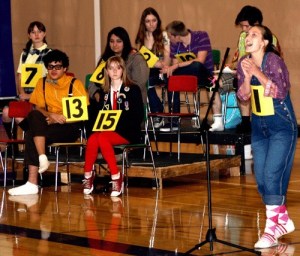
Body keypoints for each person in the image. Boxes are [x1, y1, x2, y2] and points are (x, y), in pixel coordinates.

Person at [237, 25, 297, 249]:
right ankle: (282, 219)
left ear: (264, 42)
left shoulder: (273, 60)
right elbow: (243, 96)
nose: (248, 37)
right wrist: (246, 76)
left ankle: (271, 231)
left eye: (254, 34)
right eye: (247, 35)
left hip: (281, 126)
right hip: (259, 127)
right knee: (262, 179)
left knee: (272, 174)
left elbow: (280, 91)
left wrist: (256, 72)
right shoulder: (244, 62)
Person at [8, 49, 89, 196]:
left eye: (57, 67)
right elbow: (38, 106)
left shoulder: (74, 84)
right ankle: (42, 158)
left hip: (69, 126)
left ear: (65, 69)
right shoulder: (42, 83)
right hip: (47, 123)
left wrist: (59, 117)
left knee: (31, 133)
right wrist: (51, 115)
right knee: (33, 114)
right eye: (50, 67)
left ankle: (32, 182)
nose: (53, 70)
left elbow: (81, 114)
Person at [209, 5, 281, 132]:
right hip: (241, 74)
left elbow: (276, 63)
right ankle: (218, 120)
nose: (243, 30)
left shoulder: (270, 38)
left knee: (244, 83)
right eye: (242, 26)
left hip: (261, 76)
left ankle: (247, 122)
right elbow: (239, 58)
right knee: (213, 82)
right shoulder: (243, 37)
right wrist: (231, 67)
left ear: (257, 23)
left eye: (246, 26)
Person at [83, 56, 144, 197]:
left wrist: (118, 122)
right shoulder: (103, 93)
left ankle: (116, 177)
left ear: (123, 70)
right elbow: (97, 116)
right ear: (106, 71)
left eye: (118, 68)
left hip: (128, 132)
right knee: (93, 138)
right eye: (111, 68)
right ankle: (88, 175)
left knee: (102, 138)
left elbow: (138, 115)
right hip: (108, 132)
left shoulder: (133, 89)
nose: (115, 71)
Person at [87, 27, 149, 137]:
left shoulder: (136, 58)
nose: (115, 44)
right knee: (90, 108)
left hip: (129, 103)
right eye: (112, 41)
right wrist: (96, 94)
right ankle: (94, 139)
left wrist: (119, 91)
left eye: (119, 41)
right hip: (107, 103)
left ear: (125, 42)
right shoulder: (105, 59)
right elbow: (92, 82)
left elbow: (140, 83)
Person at [160, 20, 214, 132]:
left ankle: (169, 77)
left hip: (203, 75)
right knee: (171, 78)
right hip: (184, 75)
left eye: (170, 37)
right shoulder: (176, 45)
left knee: (196, 65)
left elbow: (200, 60)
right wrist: (169, 69)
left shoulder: (201, 36)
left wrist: (176, 66)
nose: (169, 40)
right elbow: (174, 66)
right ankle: (174, 121)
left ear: (177, 36)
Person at [2, 21, 51, 139]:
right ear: (29, 35)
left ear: (44, 34)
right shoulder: (24, 53)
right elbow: (20, 75)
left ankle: (33, 136)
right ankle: (13, 144)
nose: (36, 35)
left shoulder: (49, 54)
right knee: (6, 112)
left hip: (40, 97)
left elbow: (50, 80)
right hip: (25, 95)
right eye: (33, 32)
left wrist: (32, 95)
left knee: (23, 116)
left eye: (39, 31)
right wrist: (22, 93)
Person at [135, 7, 171, 129]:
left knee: (147, 80)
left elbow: (167, 55)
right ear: (143, 23)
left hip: (163, 69)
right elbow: (141, 59)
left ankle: (158, 114)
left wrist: (164, 66)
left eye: (154, 20)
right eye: (148, 21)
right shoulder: (141, 37)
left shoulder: (164, 35)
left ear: (158, 21)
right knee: (143, 80)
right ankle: (157, 113)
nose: (151, 24)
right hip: (147, 70)